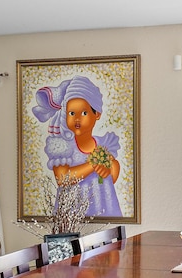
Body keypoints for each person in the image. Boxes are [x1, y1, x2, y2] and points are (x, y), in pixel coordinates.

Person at [32, 75, 122, 217]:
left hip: (106, 212)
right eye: (72, 113)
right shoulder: (61, 145)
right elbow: (62, 179)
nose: (77, 118)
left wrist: (109, 168)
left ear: (97, 114)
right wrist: (92, 165)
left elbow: (114, 174)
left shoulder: (103, 143)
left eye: (84, 113)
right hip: (72, 217)